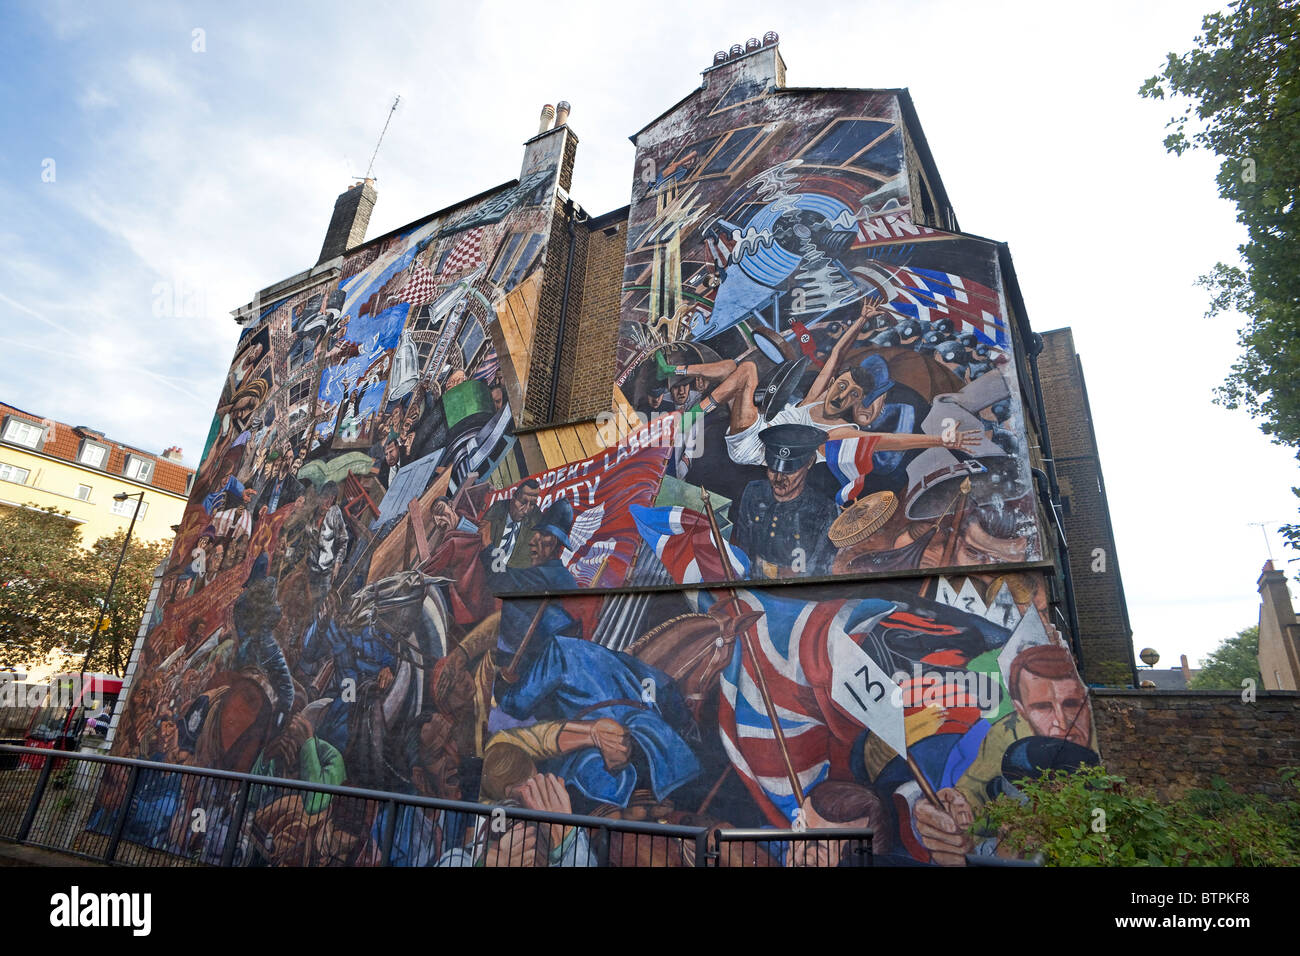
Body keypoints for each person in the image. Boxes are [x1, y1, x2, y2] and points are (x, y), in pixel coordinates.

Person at [913, 643, 1092, 864]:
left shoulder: (1099, 747)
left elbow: (1103, 822)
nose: (1061, 722)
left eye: (1072, 704)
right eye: (1042, 707)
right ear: (1021, 709)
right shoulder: (1007, 735)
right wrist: (951, 813)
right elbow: (973, 798)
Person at [731, 424, 837, 578]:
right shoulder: (754, 492)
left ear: (810, 462)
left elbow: (819, 569)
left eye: (789, 471)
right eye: (773, 469)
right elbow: (742, 547)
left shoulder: (825, 511)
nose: (779, 479)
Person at [479, 479, 542, 571]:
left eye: (532, 504)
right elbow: (482, 536)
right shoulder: (498, 509)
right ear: (513, 498)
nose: (525, 510)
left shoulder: (534, 520)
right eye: (522, 503)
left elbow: (528, 560)